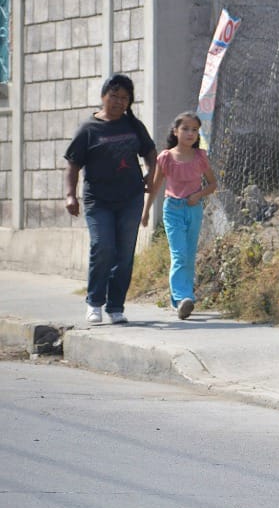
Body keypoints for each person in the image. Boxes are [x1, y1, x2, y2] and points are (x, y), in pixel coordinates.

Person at [64, 74, 158, 325]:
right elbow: (73, 165)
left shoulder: (133, 125)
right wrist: (71, 195)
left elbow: (150, 151)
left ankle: (116, 306)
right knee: (103, 246)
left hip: (131, 197)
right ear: (103, 96)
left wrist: (150, 173)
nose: (118, 102)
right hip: (99, 201)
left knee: (125, 253)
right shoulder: (88, 129)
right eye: (114, 96)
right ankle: (94, 302)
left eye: (124, 98)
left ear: (129, 102)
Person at [141, 111, 219, 319]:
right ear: (175, 132)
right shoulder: (165, 158)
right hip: (173, 209)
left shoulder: (201, 157)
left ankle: (181, 299)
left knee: (189, 255)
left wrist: (198, 195)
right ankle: (183, 297)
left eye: (194, 129)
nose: (190, 133)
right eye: (185, 128)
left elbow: (213, 184)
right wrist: (146, 211)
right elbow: (155, 186)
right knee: (179, 253)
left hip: (194, 209)